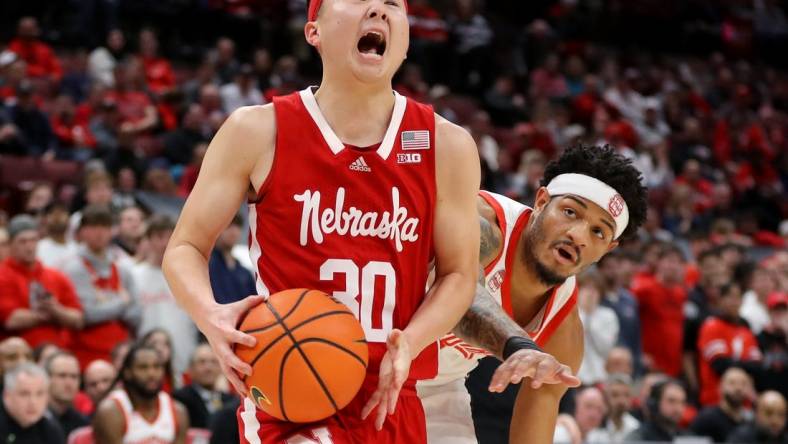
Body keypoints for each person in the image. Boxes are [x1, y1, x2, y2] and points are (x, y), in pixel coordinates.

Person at [163, 0, 481, 442]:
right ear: (314, 31)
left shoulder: (447, 145)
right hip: (289, 390)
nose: (379, 10)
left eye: (393, 4)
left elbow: (460, 274)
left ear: (406, 40)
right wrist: (210, 315)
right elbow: (184, 248)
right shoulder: (258, 130)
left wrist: (412, 340)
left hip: (392, 396)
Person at [420, 145, 648, 444]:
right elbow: (459, 293)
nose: (578, 236)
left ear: (607, 250)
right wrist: (518, 346)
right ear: (541, 201)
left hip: (438, 392)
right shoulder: (483, 223)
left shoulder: (563, 329)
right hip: (368, 349)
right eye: (570, 212)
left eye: (598, 232)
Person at [64, 204, 141, 368]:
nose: (99, 232)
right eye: (93, 226)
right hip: (86, 354)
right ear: (82, 231)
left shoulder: (122, 269)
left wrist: (104, 306)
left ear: (112, 231)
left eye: (104, 226)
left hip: (120, 355)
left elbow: (136, 315)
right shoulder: (73, 268)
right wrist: (122, 303)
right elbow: (87, 315)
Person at [0, 215, 84, 349]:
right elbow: (11, 320)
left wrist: (56, 310)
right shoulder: (3, 276)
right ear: (10, 245)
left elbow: (78, 319)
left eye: (33, 240)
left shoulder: (56, 276)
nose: (29, 247)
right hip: (20, 351)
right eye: (23, 241)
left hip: (59, 349)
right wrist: (52, 314)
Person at [133, 215, 197, 378]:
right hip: (145, 357)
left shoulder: (190, 275)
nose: (164, 243)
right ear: (148, 240)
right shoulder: (134, 274)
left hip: (183, 354)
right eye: (159, 237)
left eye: (169, 236)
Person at [93, 343, 189, 443]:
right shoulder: (111, 411)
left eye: (157, 367)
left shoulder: (178, 411)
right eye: (143, 367)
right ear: (127, 372)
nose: (151, 373)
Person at [697, 282, 762, 406]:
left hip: (744, 405)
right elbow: (720, 365)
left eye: (738, 297)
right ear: (720, 300)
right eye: (730, 297)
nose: (734, 302)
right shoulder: (711, 326)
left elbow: (757, 367)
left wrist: (733, 362)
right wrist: (744, 364)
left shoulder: (746, 331)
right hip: (715, 401)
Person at [173, 344, 236, 429]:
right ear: (190, 368)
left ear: (221, 368)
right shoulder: (179, 399)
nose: (208, 368)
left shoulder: (231, 401)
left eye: (214, 362)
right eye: (202, 362)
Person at [0, 362, 64, 443]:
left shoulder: (50, 429)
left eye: (40, 394)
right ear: (7, 395)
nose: (33, 402)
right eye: (24, 394)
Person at [690, 367, 754, 442]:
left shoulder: (751, 421)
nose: (738, 388)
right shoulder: (707, 418)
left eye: (743, 384)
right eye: (732, 383)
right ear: (720, 387)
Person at [207, 214, 256, 305]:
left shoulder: (244, 272)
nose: (233, 231)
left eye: (238, 226)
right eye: (229, 226)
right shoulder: (207, 265)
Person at [44, 351, 89, 437]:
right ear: (47, 378)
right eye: (62, 376)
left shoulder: (83, 425)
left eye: (74, 376)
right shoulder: (32, 419)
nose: (69, 383)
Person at [587, 374, 640, 443]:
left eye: (626, 395)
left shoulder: (635, 426)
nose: (621, 401)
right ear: (605, 397)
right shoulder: (595, 424)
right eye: (615, 395)